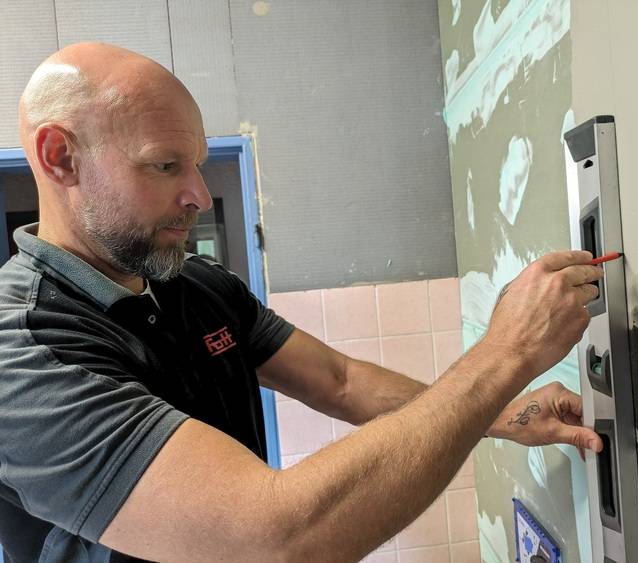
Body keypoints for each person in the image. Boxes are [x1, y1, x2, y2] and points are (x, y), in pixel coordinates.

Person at [0, 43, 604, 563]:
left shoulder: (197, 284)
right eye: (165, 165)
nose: (200, 196)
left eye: (198, 165)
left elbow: (339, 381)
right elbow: (277, 541)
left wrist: (501, 413)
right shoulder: (25, 352)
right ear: (60, 157)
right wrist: (505, 355)